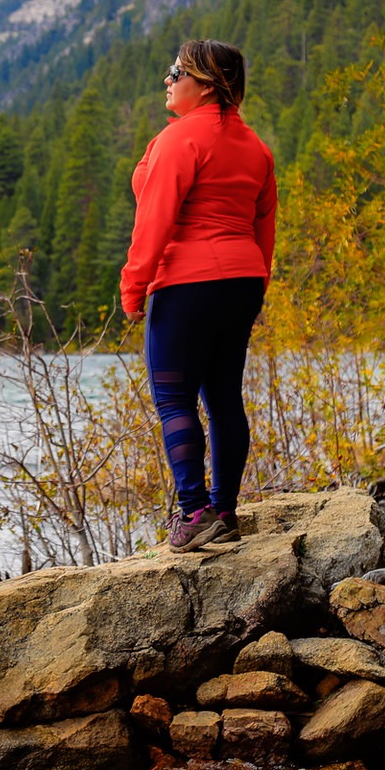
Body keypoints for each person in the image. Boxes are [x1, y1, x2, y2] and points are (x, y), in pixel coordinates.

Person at [120, 38, 277, 552]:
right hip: (242, 281)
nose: (167, 80)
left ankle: (194, 511)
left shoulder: (181, 141)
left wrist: (133, 284)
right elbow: (264, 226)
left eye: (175, 72)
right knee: (224, 398)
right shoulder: (256, 147)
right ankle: (225, 512)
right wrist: (256, 283)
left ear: (206, 84)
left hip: (187, 283)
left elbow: (155, 221)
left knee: (173, 398)